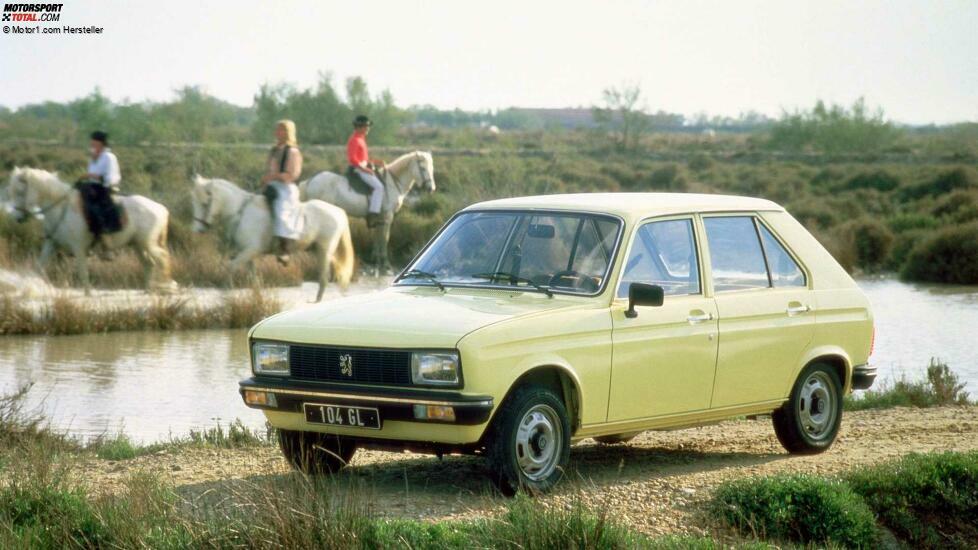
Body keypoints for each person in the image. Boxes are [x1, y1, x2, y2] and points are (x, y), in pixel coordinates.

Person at [261, 119, 304, 265]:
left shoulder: (292, 151)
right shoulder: (274, 150)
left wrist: (273, 177)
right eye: (277, 129)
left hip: (286, 187)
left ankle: (284, 249)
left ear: (288, 133)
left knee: (281, 211)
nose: (278, 133)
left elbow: (291, 175)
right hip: (272, 185)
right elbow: (269, 169)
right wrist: (266, 178)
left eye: (281, 130)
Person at [78, 131, 123, 256]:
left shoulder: (109, 157)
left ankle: (104, 242)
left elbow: (111, 177)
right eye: (91, 143)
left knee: (94, 209)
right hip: (94, 186)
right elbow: (91, 174)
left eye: (94, 143)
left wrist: (92, 175)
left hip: (106, 187)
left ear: (101, 144)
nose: (92, 145)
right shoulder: (93, 157)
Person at [346, 115, 385, 227]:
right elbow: (353, 159)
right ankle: (372, 217)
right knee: (379, 187)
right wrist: (366, 170)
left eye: (368, 126)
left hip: (362, 166)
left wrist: (377, 162)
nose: (368, 128)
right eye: (366, 126)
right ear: (359, 127)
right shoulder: (354, 140)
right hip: (357, 169)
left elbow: (364, 158)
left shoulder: (361, 139)